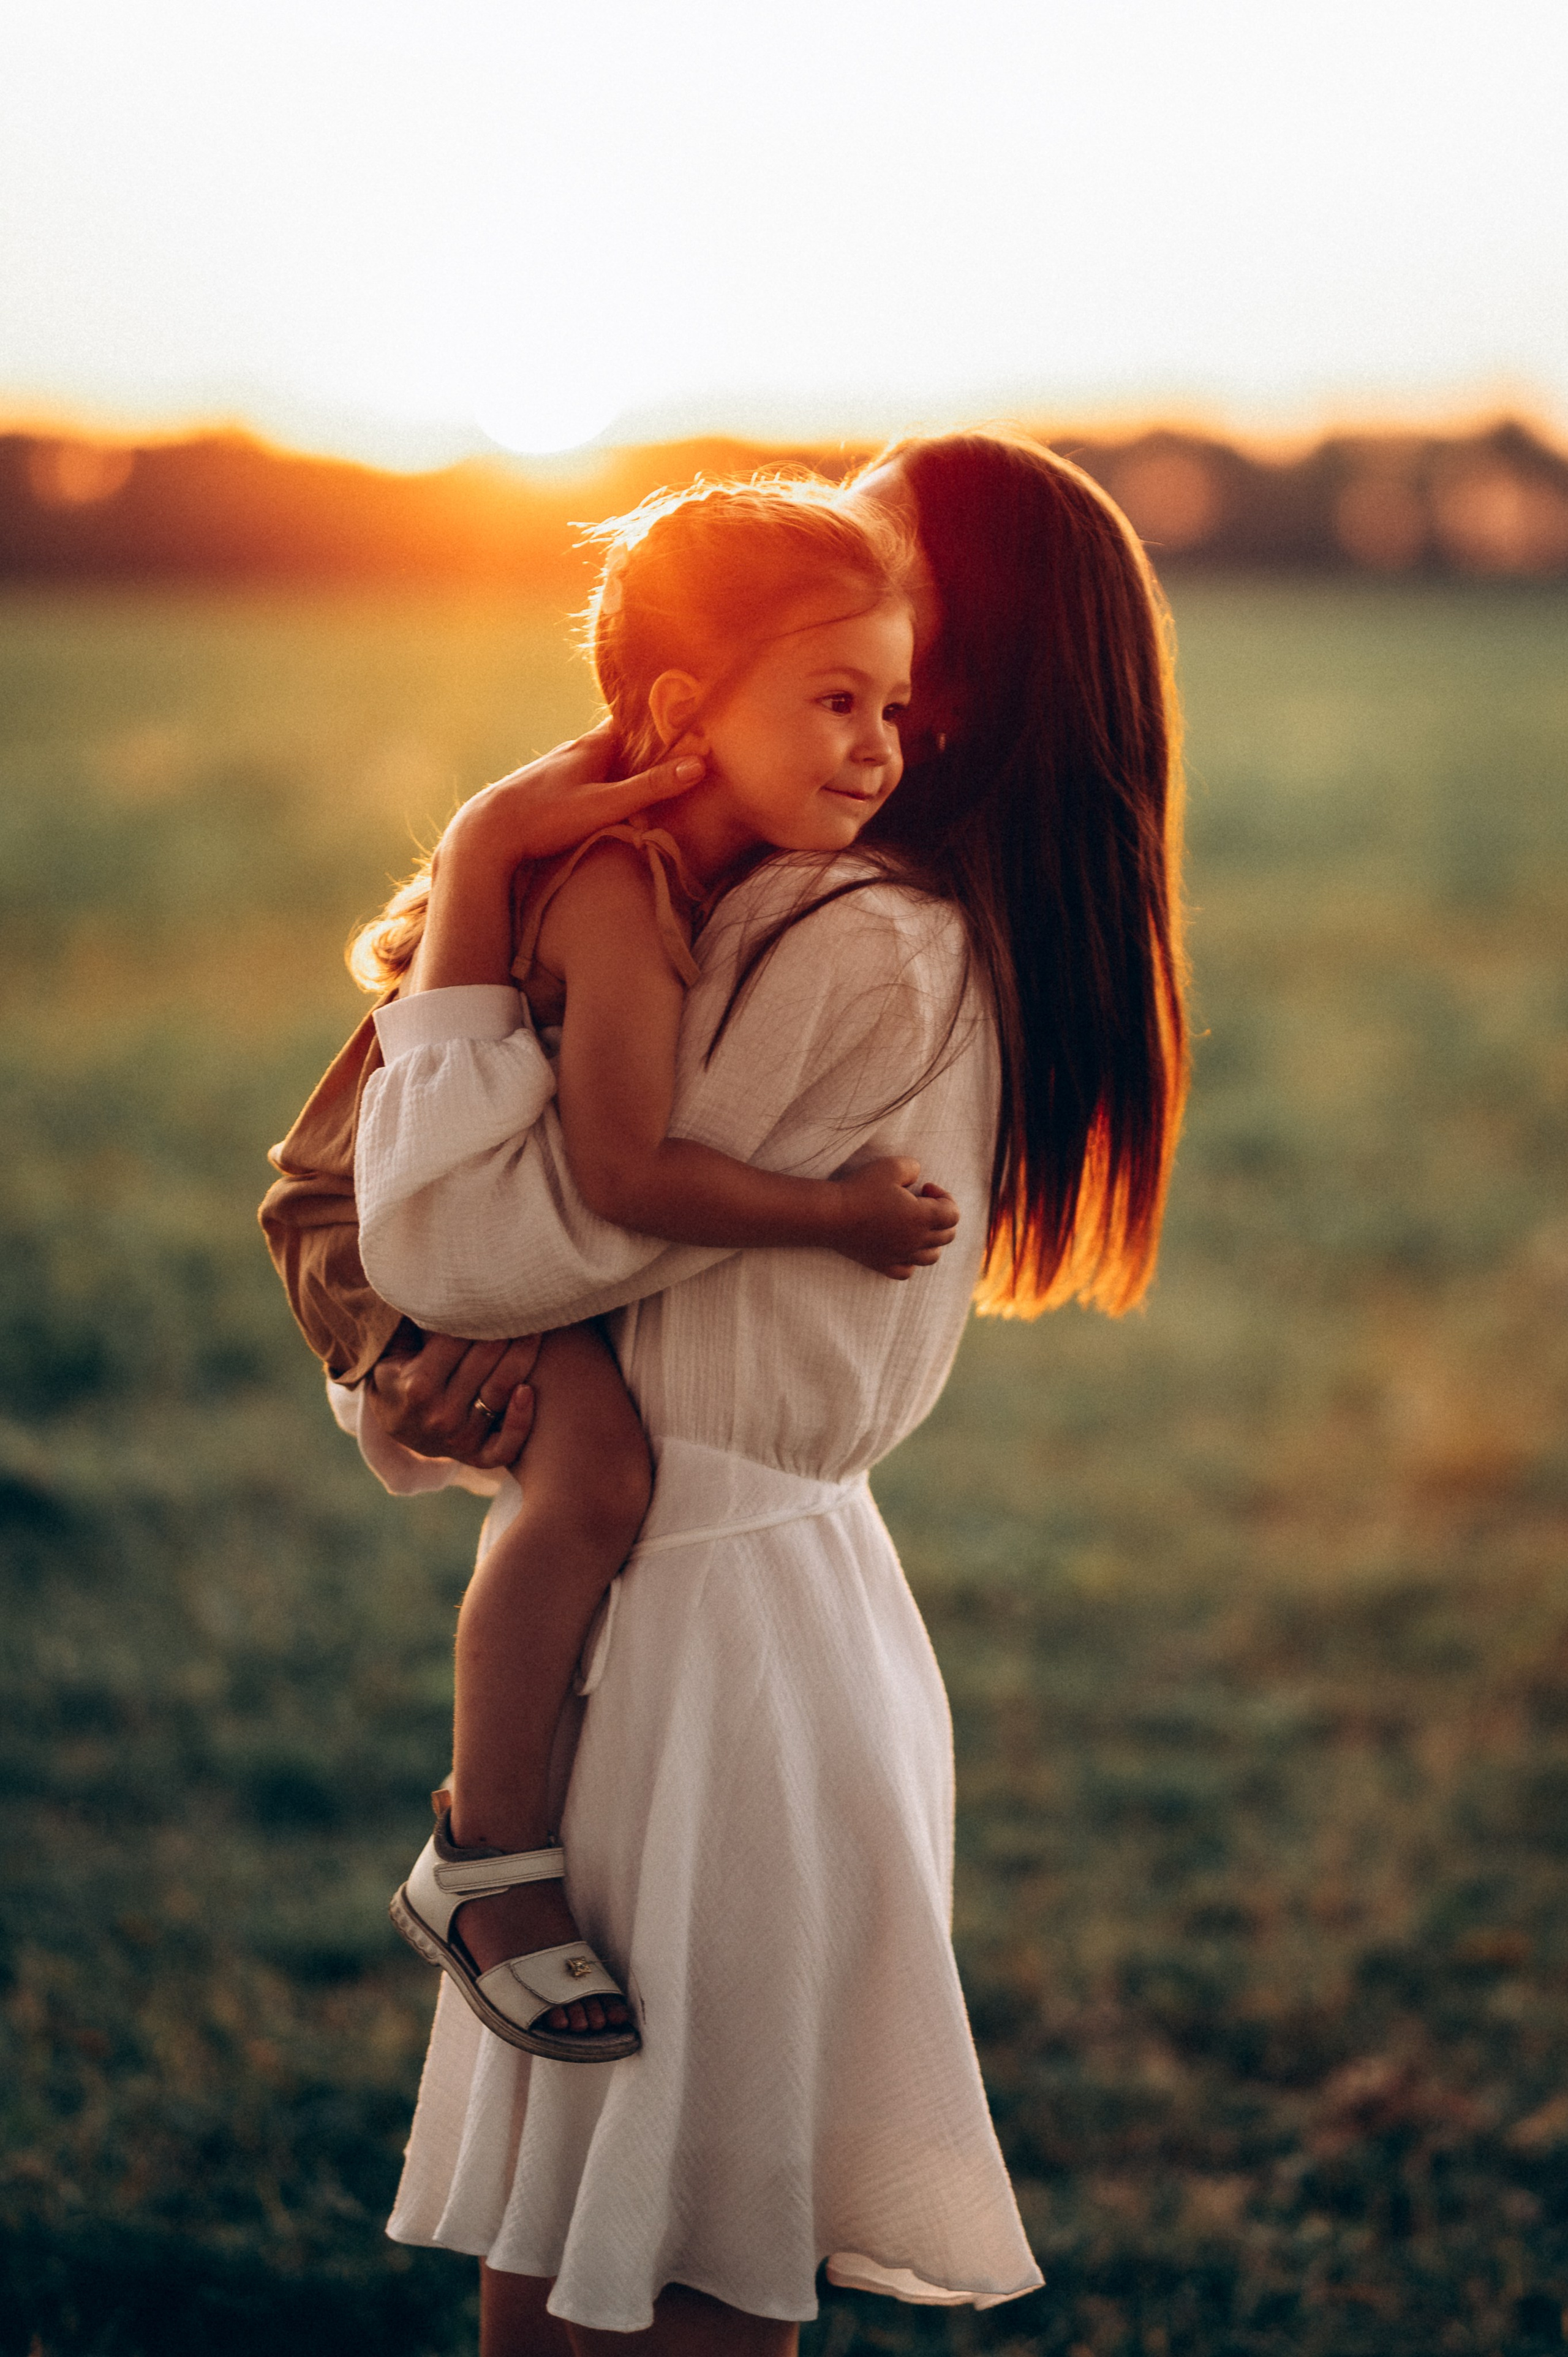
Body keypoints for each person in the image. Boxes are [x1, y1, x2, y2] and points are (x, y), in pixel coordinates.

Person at [325, 428, 1187, 2351]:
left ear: (950, 679)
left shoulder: (859, 947)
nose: (826, 591)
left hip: (714, 1654)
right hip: (733, 1613)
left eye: (879, 588)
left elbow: (479, 1250)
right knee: (590, 2265)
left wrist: (482, 852)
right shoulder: (832, 907)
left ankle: (481, 1853)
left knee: (665, 2277)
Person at [316, 480, 962, 2059]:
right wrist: (838, 1215)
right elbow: (620, 1178)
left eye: (892, 707)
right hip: (376, 1222)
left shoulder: (700, 879)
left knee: (596, 1455)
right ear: (682, 712)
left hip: (450, 1192)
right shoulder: (622, 893)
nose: (879, 747)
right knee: (595, 1474)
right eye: (835, 701)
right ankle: (487, 1861)